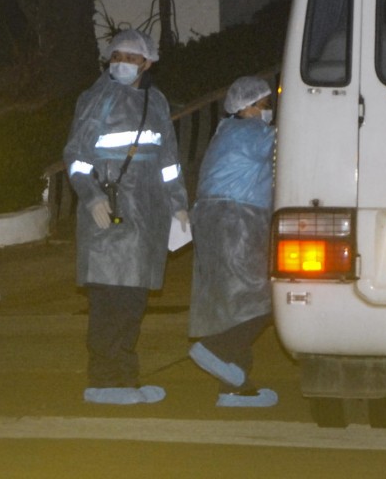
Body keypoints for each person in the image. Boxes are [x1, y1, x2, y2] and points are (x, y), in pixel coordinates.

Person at [64, 29, 189, 405]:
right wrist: (90, 196)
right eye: (115, 56)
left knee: (133, 300)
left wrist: (178, 203)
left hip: (146, 218)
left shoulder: (157, 101)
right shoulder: (96, 99)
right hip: (110, 216)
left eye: (131, 58)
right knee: (109, 299)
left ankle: (124, 378)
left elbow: (168, 160)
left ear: (148, 63)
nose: (121, 64)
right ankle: (104, 380)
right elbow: (76, 156)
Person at [187, 76, 278, 407]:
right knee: (262, 301)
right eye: (264, 106)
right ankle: (215, 349)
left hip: (211, 220)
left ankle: (235, 388)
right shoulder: (254, 134)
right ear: (249, 107)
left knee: (229, 306)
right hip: (237, 221)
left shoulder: (224, 132)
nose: (267, 112)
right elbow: (293, 146)